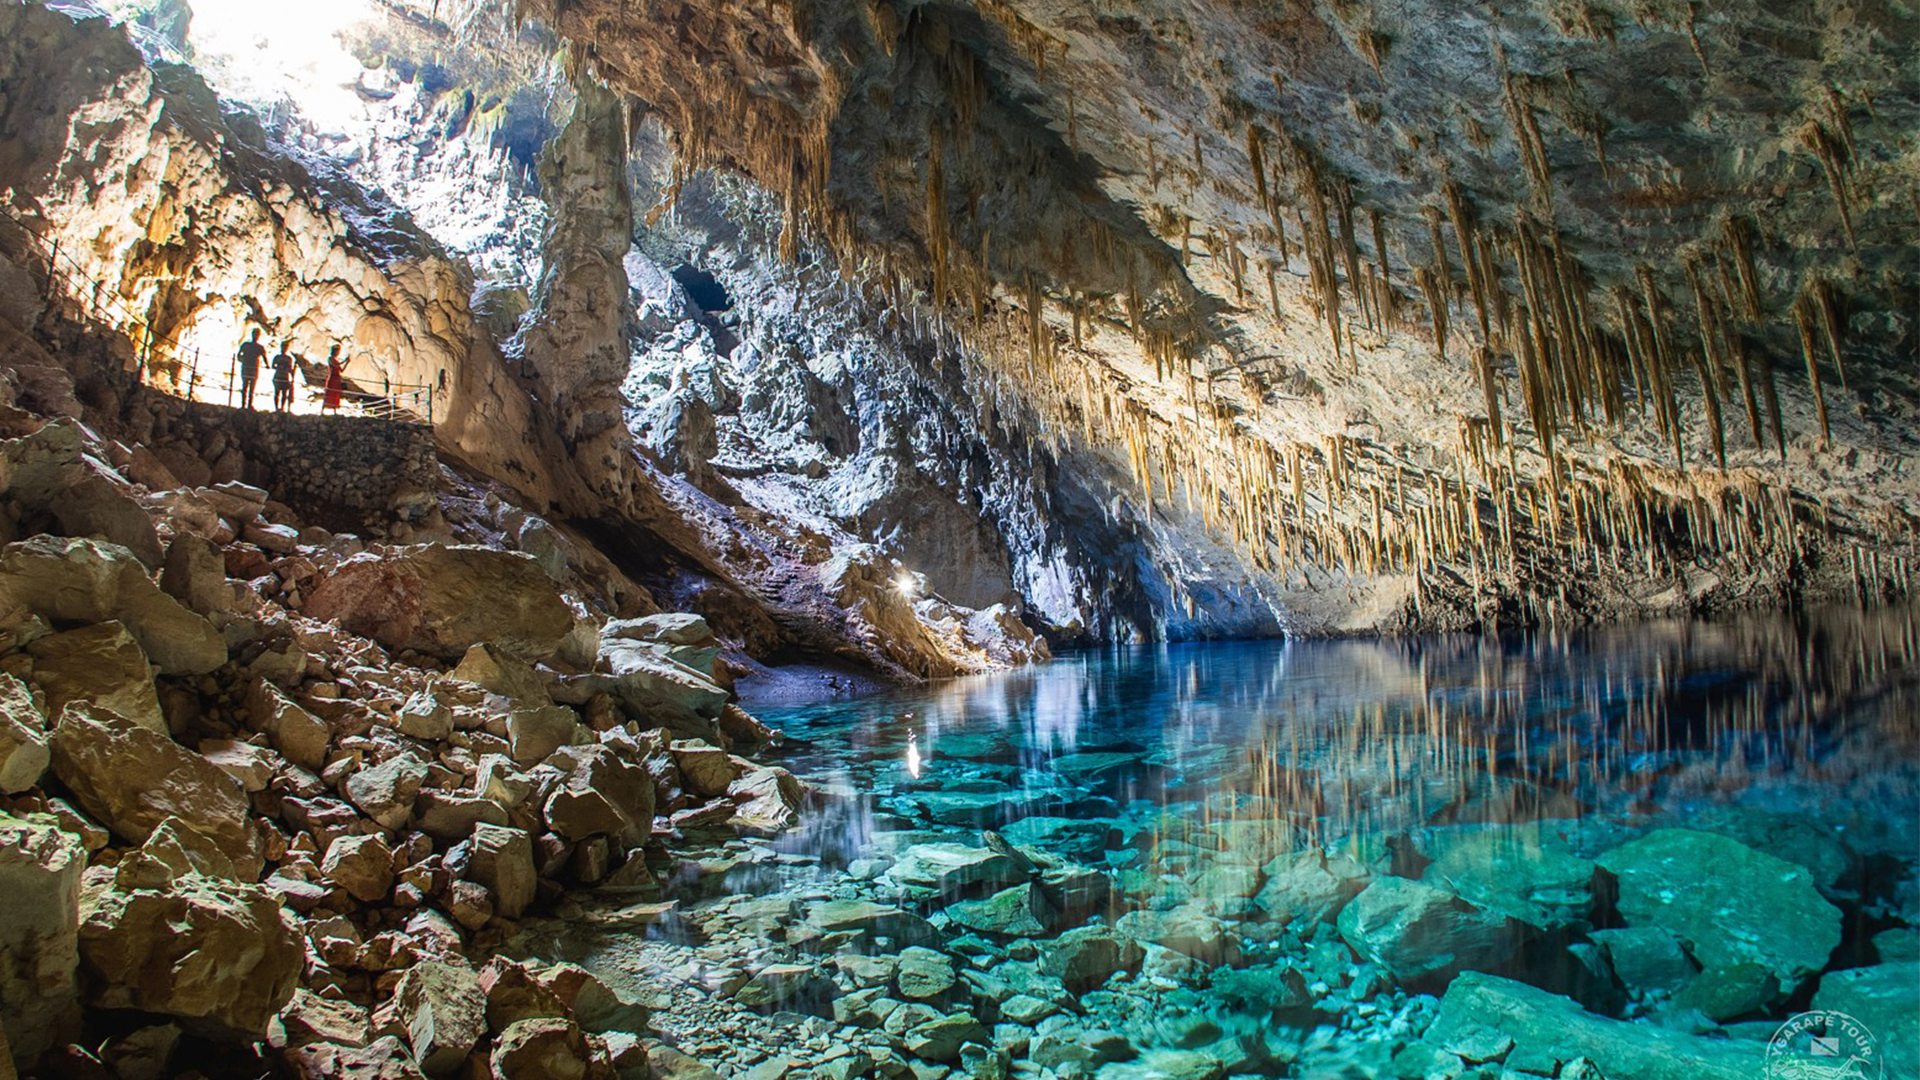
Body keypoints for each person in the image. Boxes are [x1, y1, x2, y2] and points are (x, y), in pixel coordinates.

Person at [235, 328, 267, 410]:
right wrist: (267, 365)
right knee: (247, 386)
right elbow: (265, 358)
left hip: (249, 367)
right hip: (251, 367)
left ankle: (247, 404)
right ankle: (245, 404)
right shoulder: (258, 347)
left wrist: (242, 359)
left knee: (249, 386)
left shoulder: (247, 345)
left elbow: (239, 355)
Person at [271, 339, 296, 412]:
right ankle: (276, 407)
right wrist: (280, 367)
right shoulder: (277, 357)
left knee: (284, 394)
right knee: (277, 392)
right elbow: (273, 366)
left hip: (285, 376)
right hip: (278, 375)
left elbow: (290, 368)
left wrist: (292, 372)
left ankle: (282, 407)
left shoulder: (289, 358)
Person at [322, 344, 344, 412]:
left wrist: (347, 363)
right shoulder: (330, 359)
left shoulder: (335, 360)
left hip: (337, 378)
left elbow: (341, 370)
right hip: (332, 378)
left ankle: (334, 410)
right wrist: (345, 360)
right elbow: (336, 365)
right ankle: (323, 409)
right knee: (329, 393)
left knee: (335, 394)